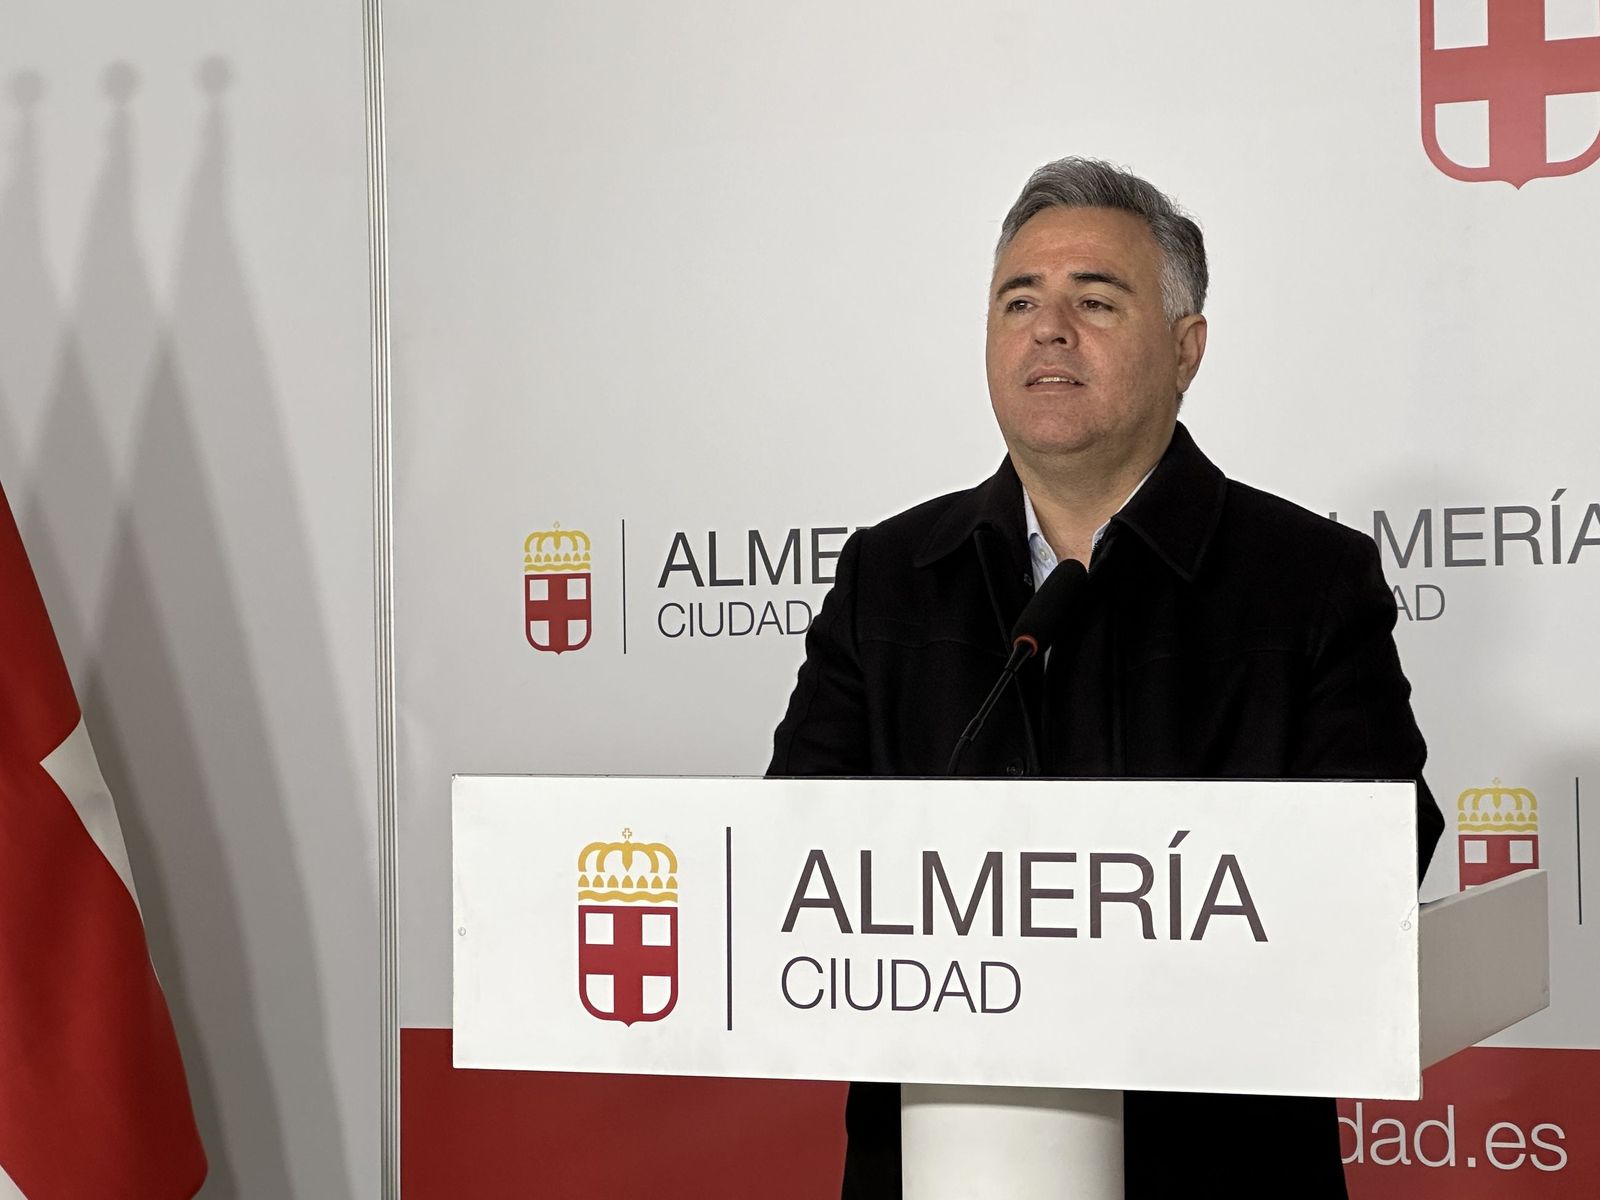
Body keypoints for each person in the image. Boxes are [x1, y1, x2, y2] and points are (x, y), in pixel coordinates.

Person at [767, 157, 1444, 1199]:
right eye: (1018, 300)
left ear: (1186, 349)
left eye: (1093, 299)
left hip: (1215, 1159)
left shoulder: (1305, 578)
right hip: (937, 1146)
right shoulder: (889, 577)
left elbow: (1378, 844)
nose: (1048, 328)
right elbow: (793, 849)